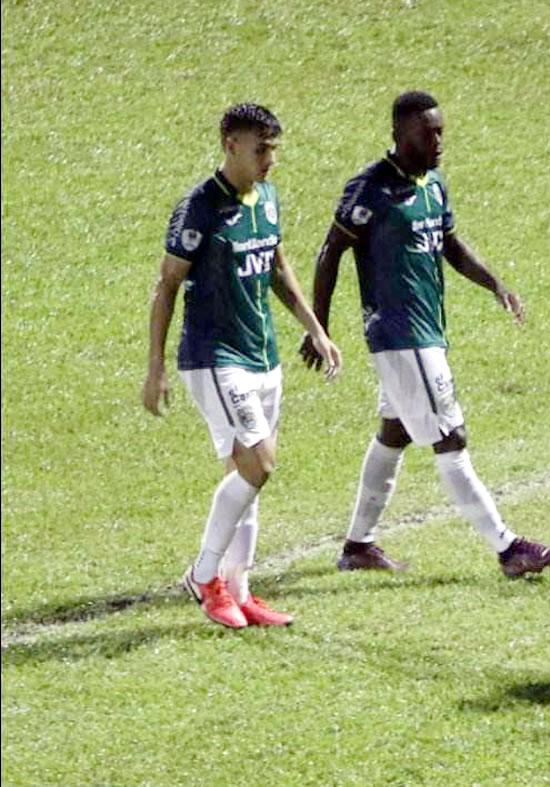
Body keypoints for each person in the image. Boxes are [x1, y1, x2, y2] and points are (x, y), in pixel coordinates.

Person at [299, 90, 550, 579]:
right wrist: (318, 327)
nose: (439, 140)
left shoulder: (434, 185)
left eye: (441, 130)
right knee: (450, 437)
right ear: (400, 135)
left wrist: (495, 284)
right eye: (428, 133)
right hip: (400, 335)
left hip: (426, 331)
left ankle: (358, 545)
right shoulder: (369, 189)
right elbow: (329, 252)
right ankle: (509, 550)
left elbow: (450, 244)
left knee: (394, 433)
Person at [143, 103, 342, 629]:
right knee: (260, 463)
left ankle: (240, 590)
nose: (269, 159)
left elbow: (276, 265)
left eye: (273, 149)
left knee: (246, 478)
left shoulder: (268, 198)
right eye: (261, 149)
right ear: (231, 143)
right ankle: (203, 575)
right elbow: (166, 286)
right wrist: (155, 367)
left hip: (262, 354)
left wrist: (313, 327)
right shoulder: (199, 208)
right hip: (214, 357)